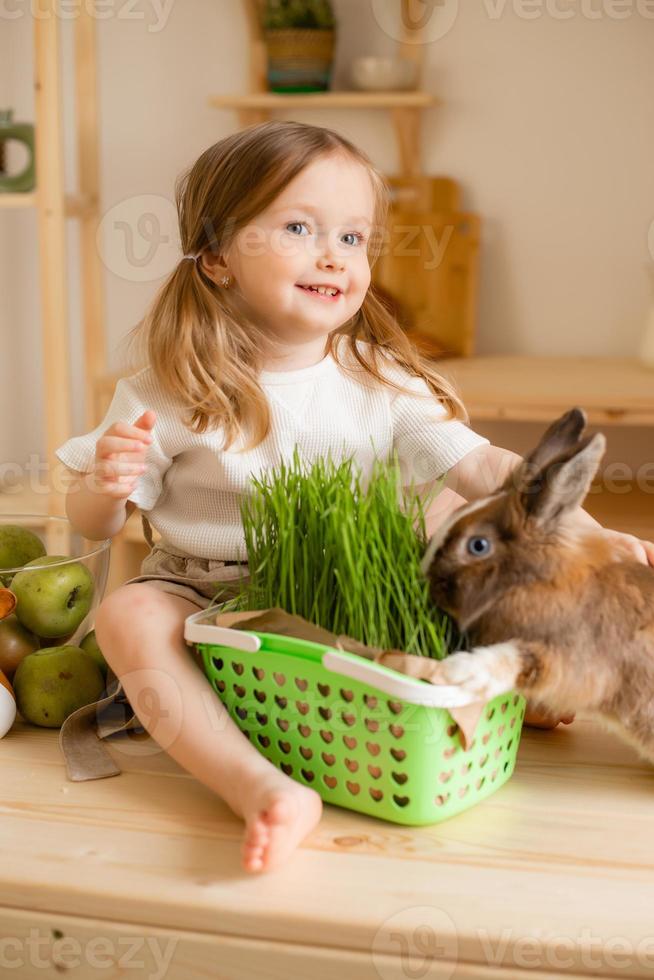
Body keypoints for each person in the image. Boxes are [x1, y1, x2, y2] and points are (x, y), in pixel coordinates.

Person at [56, 121, 654, 873]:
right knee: (126, 615)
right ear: (214, 258)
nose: (334, 254)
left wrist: (592, 536)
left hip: (361, 591)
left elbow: (484, 470)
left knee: (463, 556)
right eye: (299, 227)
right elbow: (92, 525)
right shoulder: (168, 390)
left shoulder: (381, 380)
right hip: (203, 589)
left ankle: (487, 693)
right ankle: (258, 786)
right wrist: (103, 488)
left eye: (354, 236)